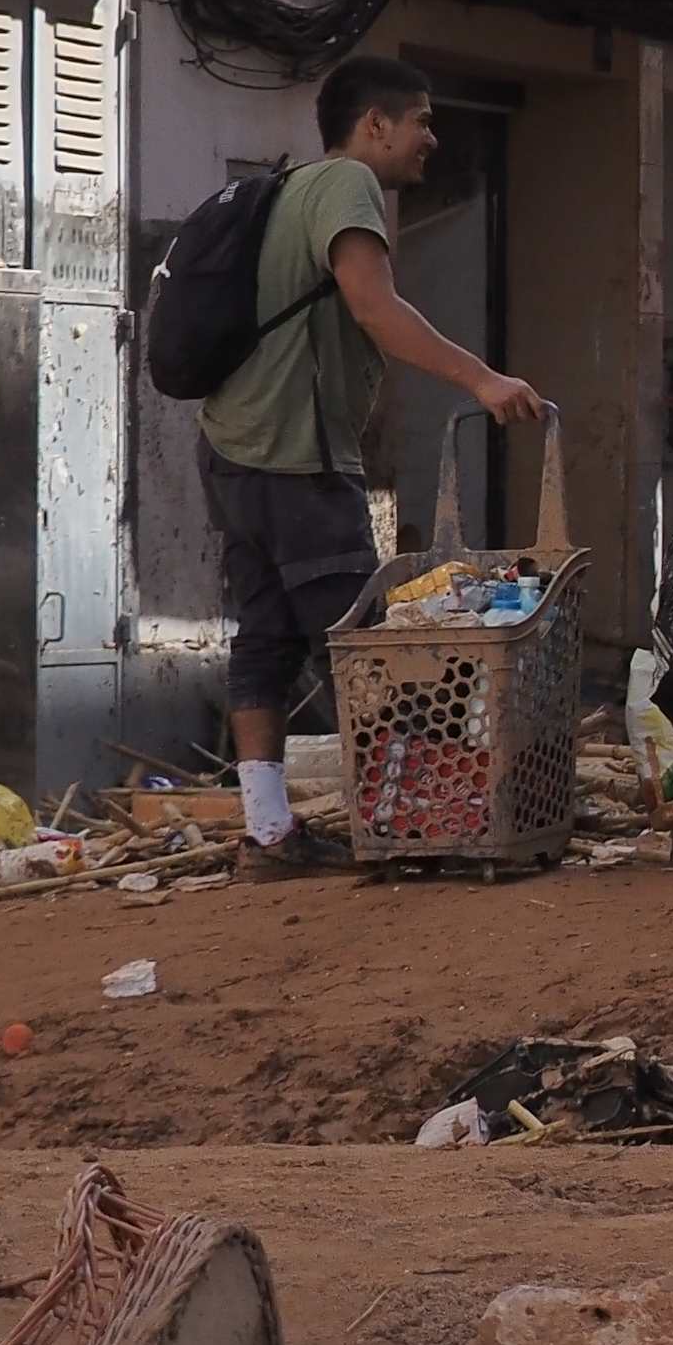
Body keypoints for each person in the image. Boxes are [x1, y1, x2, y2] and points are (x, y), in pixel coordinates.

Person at [192, 53, 547, 874]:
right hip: (297, 458)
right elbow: (375, 307)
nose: (432, 136)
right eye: (420, 119)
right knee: (362, 645)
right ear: (374, 125)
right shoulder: (348, 185)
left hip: (233, 452)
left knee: (268, 638)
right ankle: (412, 818)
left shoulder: (287, 189)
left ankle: (269, 831)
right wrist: (483, 379)